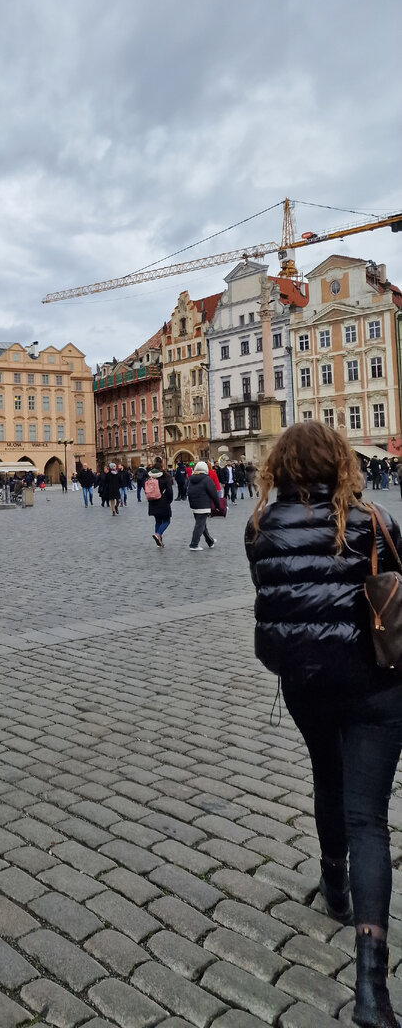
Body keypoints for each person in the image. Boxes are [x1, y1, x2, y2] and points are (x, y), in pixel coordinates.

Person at [247, 422, 402, 1028]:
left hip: (306, 681)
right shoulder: (374, 520)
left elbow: (275, 592)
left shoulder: (258, 527)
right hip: (376, 682)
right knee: (369, 817)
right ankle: (371, 990)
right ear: (342, 462)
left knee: (325, 776)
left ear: (278, 467)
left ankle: (332, 886)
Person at [187, 460, 219, 550]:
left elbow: (188, 491)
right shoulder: (207, 479)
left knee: (202, 524)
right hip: (203, 504)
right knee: (200, 525)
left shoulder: (191, 478)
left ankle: (210, 541)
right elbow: (213, 493)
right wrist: (218, 506)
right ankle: (194, 544)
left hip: (194, 504)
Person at [145, 457, 173, 547]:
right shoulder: (166, 478)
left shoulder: (150, 479)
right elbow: (170, 491)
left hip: (152, 502)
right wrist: (169, 500)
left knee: (158, 521)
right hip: (163, 502)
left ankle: (159, 541)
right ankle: (158, 534)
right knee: (166, 521)